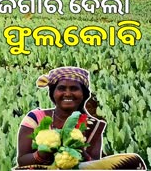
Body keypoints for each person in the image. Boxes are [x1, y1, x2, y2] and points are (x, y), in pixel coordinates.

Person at [16, 67, 146, 170]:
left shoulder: (92, 125)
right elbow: (22, 160)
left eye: (74, 89)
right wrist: (42, 154)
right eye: (61, 88)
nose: (67, 93)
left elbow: (92, 165)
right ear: (53, 93)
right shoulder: (35, 118)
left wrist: (81, 154)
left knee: (132, 161)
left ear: (83, 94)